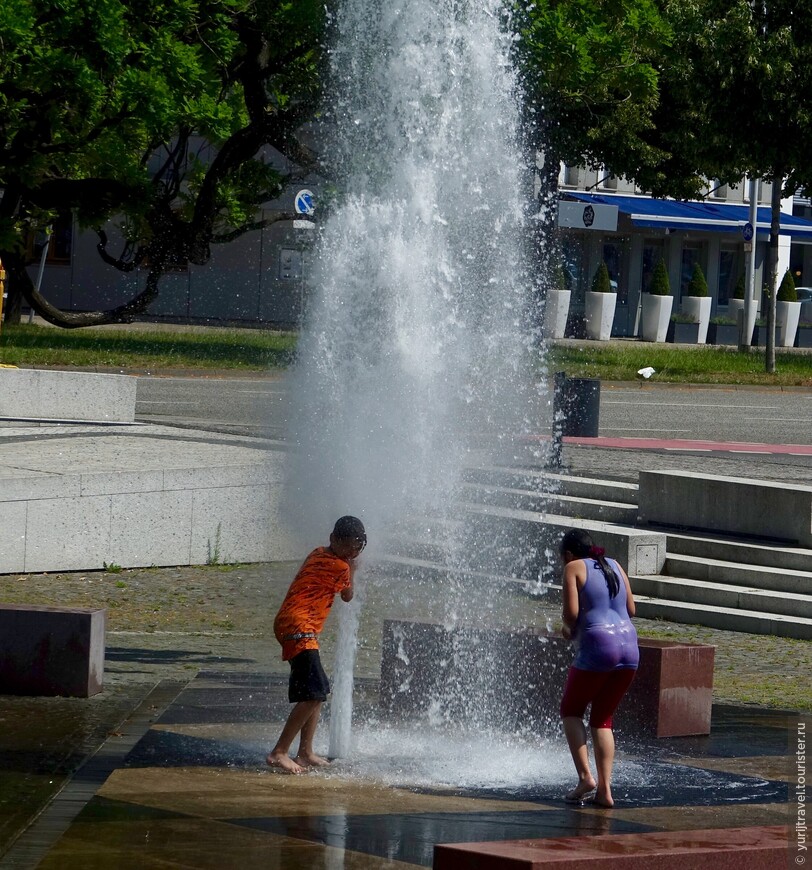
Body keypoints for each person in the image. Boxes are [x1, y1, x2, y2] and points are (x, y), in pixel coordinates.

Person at [266, 515, 367, 774]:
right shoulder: (340, 567)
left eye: (356, 548)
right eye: (347, 547)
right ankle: (279, 752)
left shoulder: (317, 553)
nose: (351, 552)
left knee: (316, 692)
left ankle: (305, 752)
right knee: (314, 692)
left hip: (291, 624)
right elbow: (347, 596)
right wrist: (353, 570)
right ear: (333, 539)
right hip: (298, 627)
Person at [558, 528, 638, 808]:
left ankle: (585, 778)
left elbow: (571, 615)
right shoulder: (615, 565)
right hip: (630, 646)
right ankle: (605, 791)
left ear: (568, 554)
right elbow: (631, 608)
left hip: (598, 645)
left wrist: (568, 630)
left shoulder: (572, 567)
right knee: (602, 718)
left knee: (570, 710)